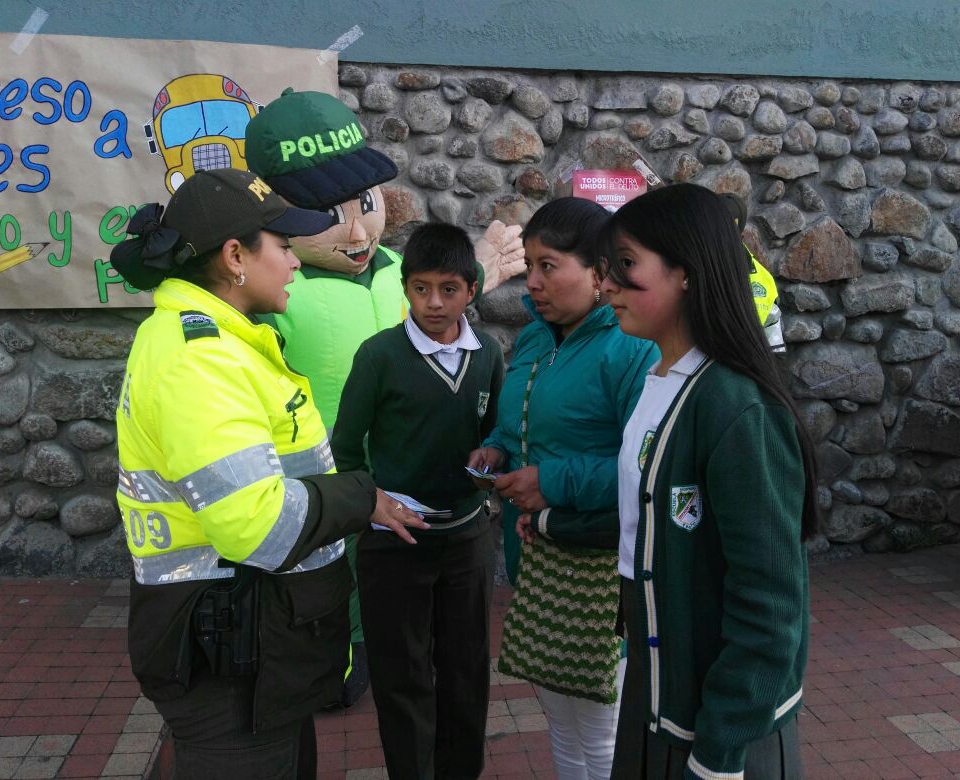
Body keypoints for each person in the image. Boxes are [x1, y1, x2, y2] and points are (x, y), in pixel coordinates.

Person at [110, 168, 426, 779]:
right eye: (282, 246)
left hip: (248, 645)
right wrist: (361, 497)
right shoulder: (200, 360)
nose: (294, 263)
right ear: (235, 256)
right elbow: (254, 525)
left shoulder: (221, 341)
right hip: (227, 649)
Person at [244, 90, 524, 705]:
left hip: (400, 481)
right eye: (323, 211)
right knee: (319, 591)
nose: (356, 229)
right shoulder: (273, 291)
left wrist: (469, 279)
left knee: (399, 599)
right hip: (316, 485)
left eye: (365, 204)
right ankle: (331, 670)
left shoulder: (396, 266)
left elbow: (427, 319)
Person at [599, 183, 816, 780]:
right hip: (660, 690)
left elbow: (770, 602)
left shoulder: (735, 406)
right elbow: (650, 520)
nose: (607, 285)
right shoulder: (662, 379)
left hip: (722, 726)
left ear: (687, 273)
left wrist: (719, 753)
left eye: (626, 265)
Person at [469, 197, 659, 780]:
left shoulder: (632, 348)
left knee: (601, 729)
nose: (534, 282)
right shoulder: (535, 338)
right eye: (529, 266)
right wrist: (500, 443)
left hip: (597, 560)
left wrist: (550, 479)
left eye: (549, 266)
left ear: (599, 272)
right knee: (559, 715)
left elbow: (646, 465)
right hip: (537, 550)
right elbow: (523, 414)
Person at [331, 223, 504, 779]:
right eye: (421, 288)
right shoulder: (379, 355)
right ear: (404, 288)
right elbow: (344, 446)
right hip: (394, 542)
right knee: (401, 672)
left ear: (471, 290)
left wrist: (492, 459)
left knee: (466, 667)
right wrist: (371, 500)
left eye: (449, 289)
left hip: (467, 536)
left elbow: (495, 434)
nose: (434, 302)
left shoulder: (489, 355)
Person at [719, 192, 785, 352]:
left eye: (725, 233)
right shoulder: (686, 269)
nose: (719, 240)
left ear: (740, 236)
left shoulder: (763, 281)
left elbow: (775, 351)